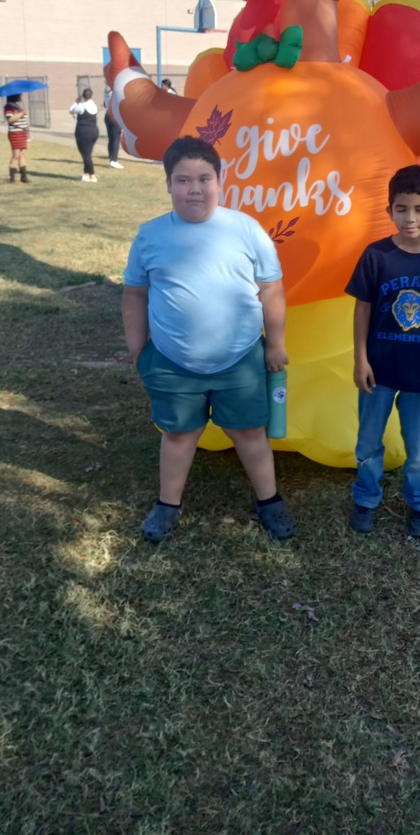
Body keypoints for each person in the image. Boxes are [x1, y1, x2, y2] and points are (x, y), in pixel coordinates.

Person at [122, 135, 295, 543]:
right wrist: (138, 349)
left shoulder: (245, 230)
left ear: (221, 180)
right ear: (168, 184)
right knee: (179, 435)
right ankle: (168, 504)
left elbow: (271, 287)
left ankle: (268, 499)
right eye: (183, 180)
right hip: (171, 361)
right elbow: (134, 292)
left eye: (204, 178)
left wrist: (276, 343)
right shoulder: (150, 236)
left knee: (250, 433)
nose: (195, 189)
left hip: (240, 360)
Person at [345, 164, 420, 539]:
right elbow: (362, 307)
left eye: (419, 209)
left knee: (419, 447)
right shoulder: (376, 255)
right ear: (389, 210)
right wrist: (360, 358)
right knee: (368, 441)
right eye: (401, 209)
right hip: (378, 368)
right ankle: (366, 498)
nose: (410, 218)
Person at [69, 88, 99, 182]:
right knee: (88, 153)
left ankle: (92, 175)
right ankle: (86, 174)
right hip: (94, 131)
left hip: (83, 132)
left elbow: (71, 110)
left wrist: (76, 101)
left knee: (85, 155)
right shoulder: (93, 105)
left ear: (83, 96)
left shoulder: (81, 106)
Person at [3, 94, 30, 183]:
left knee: (22, 154)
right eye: (19, 95)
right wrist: (21, 113)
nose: (20, 97)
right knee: (16, 155)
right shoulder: (9, 107)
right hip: (15, 133)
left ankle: (24, 176)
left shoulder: (18, 106)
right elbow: (10, 119)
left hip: (22, 132)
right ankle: (12, 177)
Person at [103, 84, 123, 169]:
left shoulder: (106, 90)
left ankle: (111, 158)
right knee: (116, 139)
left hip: (108, 114)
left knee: (111, 138)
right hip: (114, 115)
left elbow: (104, 104)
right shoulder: (115, 91)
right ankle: (114, 160)